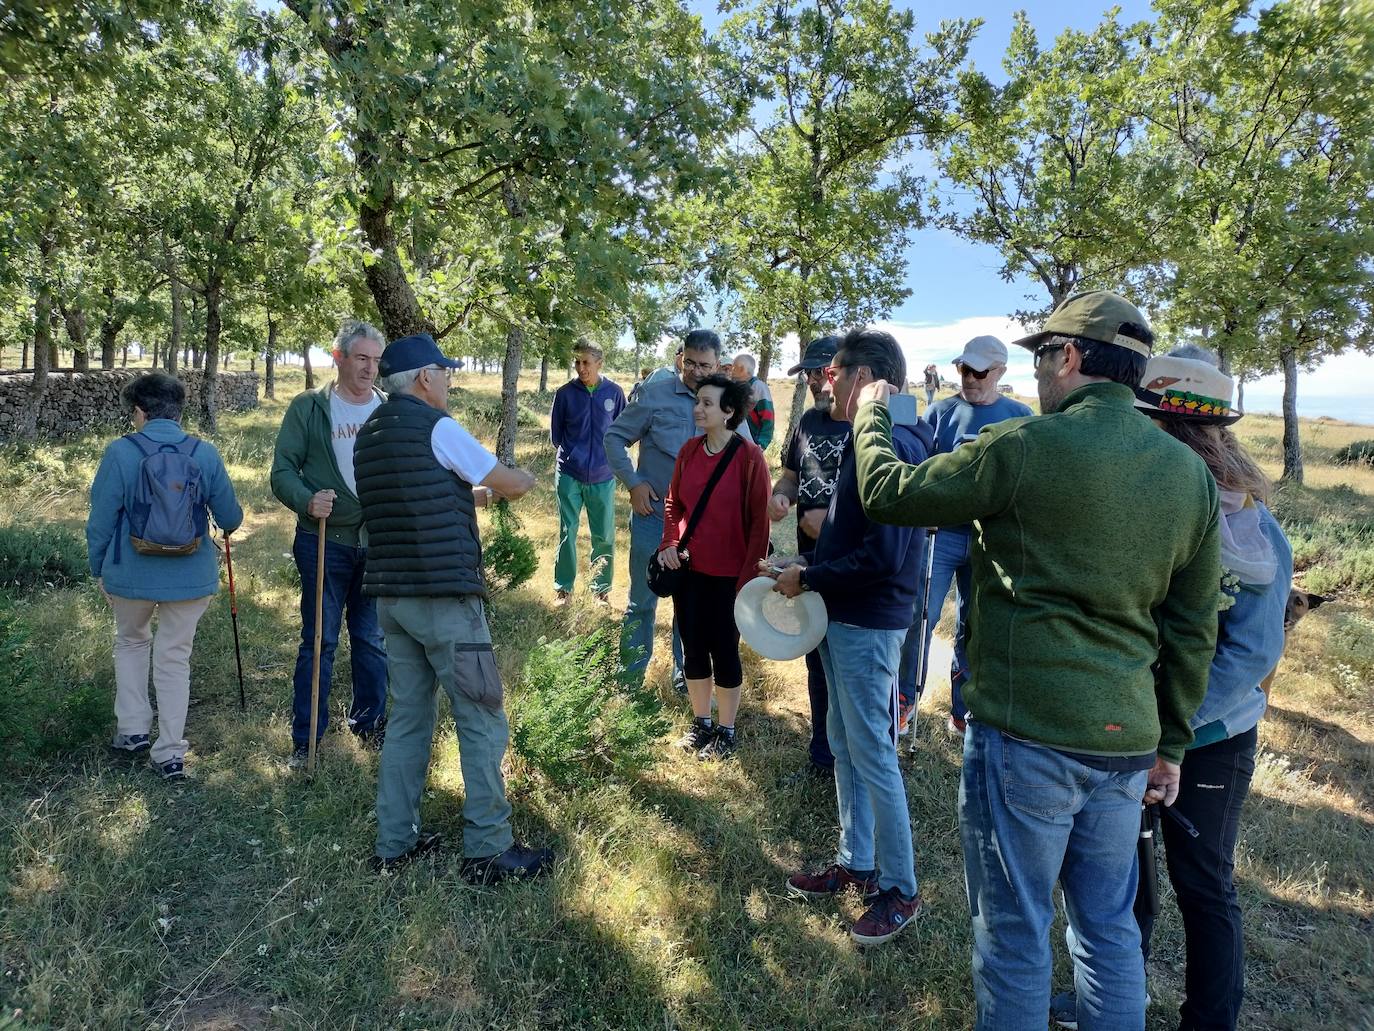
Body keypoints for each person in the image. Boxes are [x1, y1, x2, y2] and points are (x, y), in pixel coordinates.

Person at [849, 291, 1221, 1028]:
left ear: (1071, 357)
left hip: (1026, 737)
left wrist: (870, 415)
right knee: (1108, 926)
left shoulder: (1023, 447)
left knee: (1015, 929)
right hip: (1127, 743)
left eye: (1042, 357)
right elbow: (1192, 629)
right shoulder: (1190, 477)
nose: (1038, 376)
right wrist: (1171, 743)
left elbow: (889, 492)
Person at [1050, 347, 1292, 1031]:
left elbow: (1251, 651)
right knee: (1125, 875)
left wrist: (1173, 734)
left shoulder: (1250, 528)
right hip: (1132, 727)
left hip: (1209, 738)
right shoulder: (1143, 501)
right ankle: (1110, 996)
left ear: (1173, 428)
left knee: (1203, 882)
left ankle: (1209, 1020)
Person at [353, 333, 553, 881]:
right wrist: (525, 479)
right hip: (446, 599)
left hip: (392, 601)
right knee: (481, 716)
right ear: (423, 379)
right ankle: (489, 848)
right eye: (443, 372)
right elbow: (507, 483)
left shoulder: (368, 435)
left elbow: (415, 495)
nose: (448, 380)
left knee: (409, 721)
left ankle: (394, 844)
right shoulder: (437, 426)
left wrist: (474, 493)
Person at [768, 328, 933, 947]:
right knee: (844, 741)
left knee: (875, 754)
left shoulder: (891, 441)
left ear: (863, 379)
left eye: (834, 373)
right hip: (842, 613)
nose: (824, 382)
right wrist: (801, 574)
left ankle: (900, 887)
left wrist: (808, 573)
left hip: (868, 621)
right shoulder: (866, 436)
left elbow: (884, 557)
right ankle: (855, 861)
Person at [86, 372, 243, 781]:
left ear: (139, 411)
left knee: (132, 643)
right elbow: (231, 518)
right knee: (175, 658)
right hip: (190, 577)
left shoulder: (120, 453)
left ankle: (133, 730)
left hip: (130, 574)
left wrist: (98, 567)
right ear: (179, 410)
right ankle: (170, 752)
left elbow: (100, 519)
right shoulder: (203, 453)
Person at [896, 335, 1032, 737]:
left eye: (978, 371)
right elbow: (920, 468)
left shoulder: (1020, 416)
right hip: (941, 534)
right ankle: (904, 699)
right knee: (921, 615)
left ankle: (964, 707)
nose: (968, 378)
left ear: (1000, 372)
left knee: (976, 624)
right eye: (963, 369)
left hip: (990, 540)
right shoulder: (940, 411)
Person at [270, 319, 389, 768]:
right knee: (319, 640)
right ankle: (307, 741)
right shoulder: (309, 408)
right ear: (338, 358)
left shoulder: (387, 408)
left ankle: (370, 727)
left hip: (377, 544)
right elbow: (282, 471)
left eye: (376, 360)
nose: (369, 368)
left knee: (372, 639)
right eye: (361, 358)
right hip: (324, 542)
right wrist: (306, 499)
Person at [604, 328, 751, 688]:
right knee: (643, 599)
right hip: (653, 517)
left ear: (720, 365)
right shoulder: (654, 396)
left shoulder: (726, 405)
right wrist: (634, 484)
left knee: (690, 606)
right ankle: (629, 679)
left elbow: (748, 458)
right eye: (690, 363)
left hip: (702, 528)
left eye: (705, 365)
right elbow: (614, 437)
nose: (696, 372)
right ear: (680, 358)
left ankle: (686, 675)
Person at [657, 374, 771, 759]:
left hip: (730, 579)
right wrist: (670, 543)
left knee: (725, 651)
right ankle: (701, 723)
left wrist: (747, 581)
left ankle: (727, 730)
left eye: (707, 403)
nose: (698, 409)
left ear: (729, 411)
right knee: (692, 649)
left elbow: (760, 523)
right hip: (689, 572)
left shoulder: (749, 458)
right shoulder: (689, 451)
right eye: (698, 401)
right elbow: (673, 504)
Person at [769, 335, 846, 780]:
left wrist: (830, 526)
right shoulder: (806, 423)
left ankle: (851, 759)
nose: (818, 381)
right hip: (806, 563)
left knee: (847, 669)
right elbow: (790, 476)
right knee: (816, 660)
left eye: (825, 372)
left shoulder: (862, 426)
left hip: (848, 566)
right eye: (811, 373)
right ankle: (822, 756)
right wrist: (781, 497)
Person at [549, 342, 625, 607]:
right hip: (570, 473)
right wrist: (572, 457)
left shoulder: (614, 393)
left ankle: (601, 592)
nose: (581, 368)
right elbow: (556, 436)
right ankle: (563, 590)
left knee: (603, 534)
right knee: (567, 531)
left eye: (586, 362)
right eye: (577, 362)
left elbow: (622, 433)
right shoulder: (565, 394)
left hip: (603, 476)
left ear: (599, 363)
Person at [730, 353, 775, 449]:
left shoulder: (758, 387)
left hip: (751, 445)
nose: (731, 371)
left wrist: (761, 445)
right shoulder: (735, 387)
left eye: (734, 367)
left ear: (742, 369)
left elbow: (768, 417)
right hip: (735, 444)